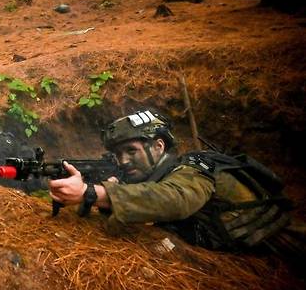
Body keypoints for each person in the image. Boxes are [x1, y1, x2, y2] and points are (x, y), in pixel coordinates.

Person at [48, 109, 305, 262]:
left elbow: (176, 199)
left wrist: (93, 193)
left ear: (158, 147)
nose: (123, 160)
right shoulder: (149, 179)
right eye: (118, 153)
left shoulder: (194, 167)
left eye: (131, 150)